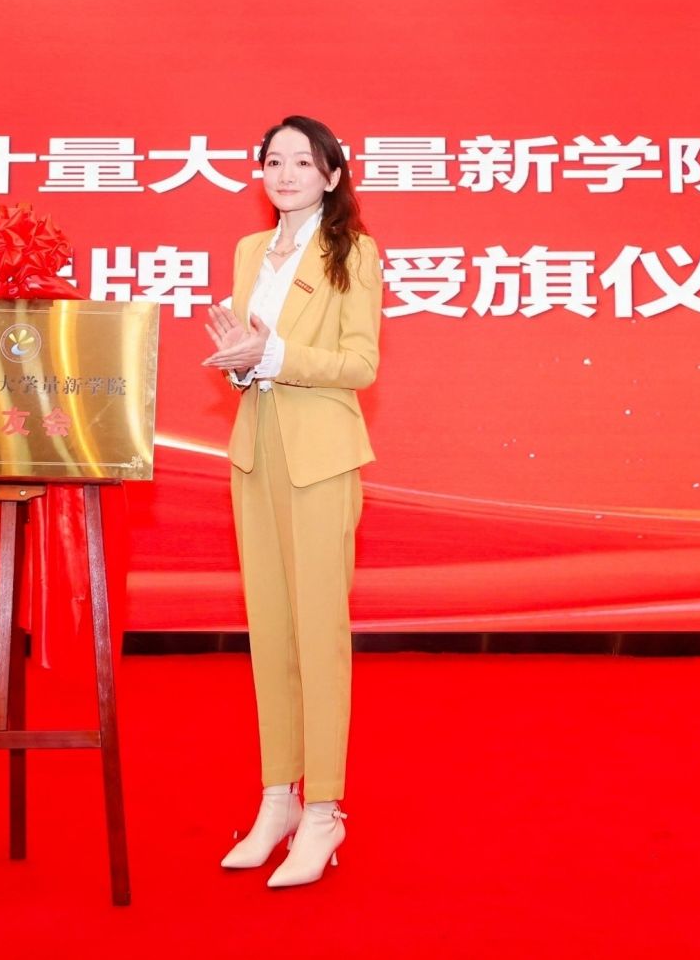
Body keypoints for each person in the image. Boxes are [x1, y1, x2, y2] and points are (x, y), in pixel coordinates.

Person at [202, 114, 382, 888]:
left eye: (302, 162)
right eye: (273, 161)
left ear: (331, 175)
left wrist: (274, 352)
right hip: (256, 448)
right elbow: (251, 353)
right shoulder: (250, 249)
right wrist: (242, 362)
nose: (284, 174)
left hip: (321, 454)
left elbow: (361, 363)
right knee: (270, 628)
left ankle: (325, 808)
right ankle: (278, 797)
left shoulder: (353, 253)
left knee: (318, 630)